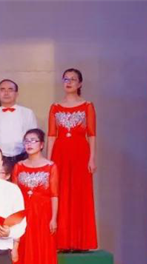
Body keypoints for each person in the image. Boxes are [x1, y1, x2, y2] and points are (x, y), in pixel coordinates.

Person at [13, 129, 64, 264]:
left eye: (33, 140)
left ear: (42, 144)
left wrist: (53, 218)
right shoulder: (18, 166)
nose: (29, 144)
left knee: (42, 256)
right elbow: (14, 195)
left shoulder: (51, 167)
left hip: (43, 217)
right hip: (24, 216)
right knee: (24, 256)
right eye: (26, 140)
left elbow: (54, 195)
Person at [47, 68, 97, 251]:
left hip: (80, 153)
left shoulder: (87, 106)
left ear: (80, 83)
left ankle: (81, 242)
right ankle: (62, 242)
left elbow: (91, 134)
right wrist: (48, 162)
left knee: (79, 194)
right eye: (65, 79)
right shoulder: (55, 107)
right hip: (60, 153)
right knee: (60, 192)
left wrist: (92, 158)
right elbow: (51, 135)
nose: (68, 82)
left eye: (73, 79)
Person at [0, 79, 38, 164]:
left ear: (16, 94)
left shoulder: (27, 113)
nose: (6, 93)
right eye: (2, 90)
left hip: (23, 157)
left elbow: (34, 137)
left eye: (10, 90)